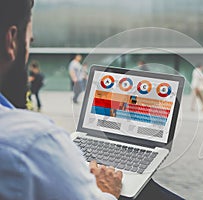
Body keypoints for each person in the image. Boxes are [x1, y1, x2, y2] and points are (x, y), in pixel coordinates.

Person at [0, 1, 183, 200]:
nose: (30, 45)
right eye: (30, 40)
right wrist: (107, 192)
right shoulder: (34, 141)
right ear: (12, 41)